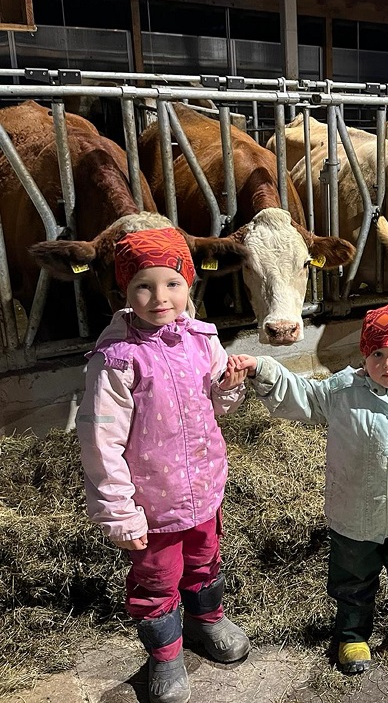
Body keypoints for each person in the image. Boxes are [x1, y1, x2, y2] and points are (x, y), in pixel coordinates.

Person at [230, 303, 388, 675]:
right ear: (364, 354)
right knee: (352, 576)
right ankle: (352, 633)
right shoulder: (342, 391)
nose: (387, 364)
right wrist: (262, 367)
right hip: (352, 515)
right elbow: (303, 396)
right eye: (377, 353)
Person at [76, 227, 250, 703]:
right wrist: (119, 512)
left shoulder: (202, 339)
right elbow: (101, 443)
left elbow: (217, 406)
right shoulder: (117, 360)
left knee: (204, 560)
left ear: (189, 283)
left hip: (204, 487)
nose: (160, 298)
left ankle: (207, 620)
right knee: (156, 579)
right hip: (152, 504)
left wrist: (229, 385)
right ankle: (166, 656)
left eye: (172, 283)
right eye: (143, 286)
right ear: (124, 290)